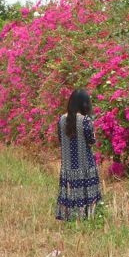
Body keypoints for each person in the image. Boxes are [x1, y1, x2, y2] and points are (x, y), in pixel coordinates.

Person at [55, 88, 101, 221]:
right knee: (87, 192)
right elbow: (91, 141)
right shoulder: (85, 120)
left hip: (67, 166)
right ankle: (87, 217)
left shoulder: (61, 120)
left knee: (70, 191)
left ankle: (70, 217)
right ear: (84, 104)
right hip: (85, 165)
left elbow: (61, 140)